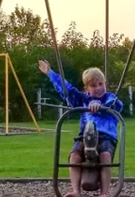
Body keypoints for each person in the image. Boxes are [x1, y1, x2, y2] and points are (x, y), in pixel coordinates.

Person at [38, 60, 123, 197]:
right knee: (74, 156)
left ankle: (105, 192)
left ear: (105, 84)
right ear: (86, 89)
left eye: (101, 84)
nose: (98, 88)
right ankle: (76, 191)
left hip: (106, 136)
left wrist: (100, 107)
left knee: (105, 156)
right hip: (85, 135)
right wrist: (50, 73)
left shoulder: (110, 98)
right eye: (93, 85)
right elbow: (67, 90)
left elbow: (116, 105)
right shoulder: (83, 100)